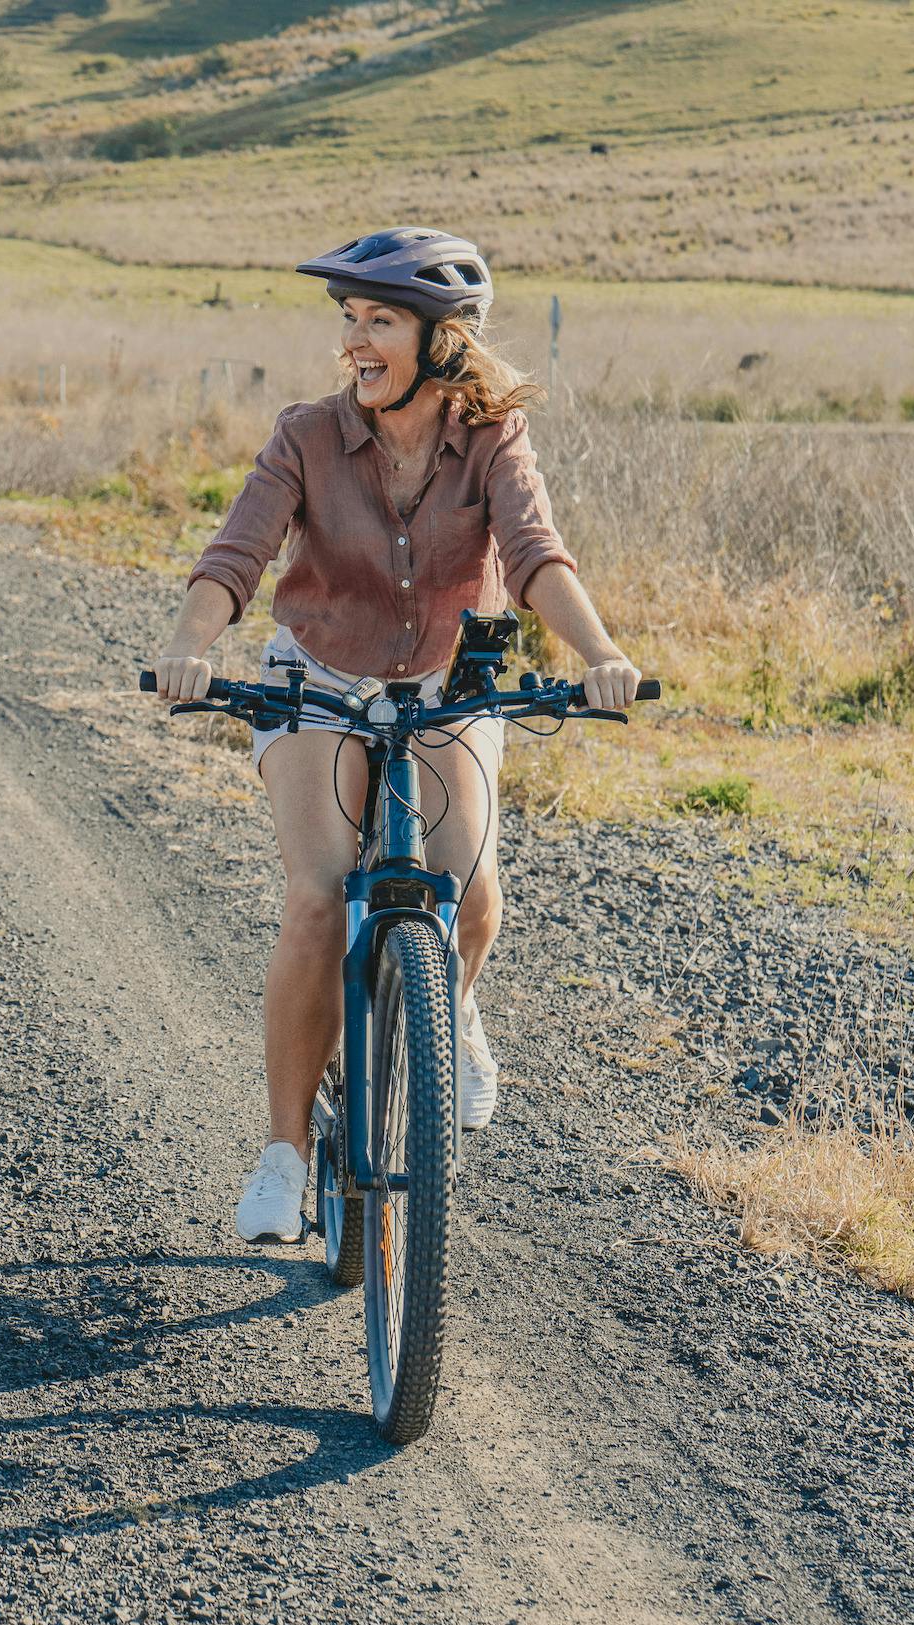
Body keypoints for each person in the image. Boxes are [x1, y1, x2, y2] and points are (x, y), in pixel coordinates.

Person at [147, 228, 642, 1244]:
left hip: (444, 682)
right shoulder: (305, 435)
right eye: (350, 320)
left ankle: (449, 1006)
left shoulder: (494, 440)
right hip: (319, 675)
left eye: (379, 322)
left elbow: (535, 555)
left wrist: (599, 653)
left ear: (441, 340)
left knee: (470, 890)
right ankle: (284, 1154)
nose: (354, 342)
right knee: (319, 897)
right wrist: (187, 647)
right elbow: (236, 556)